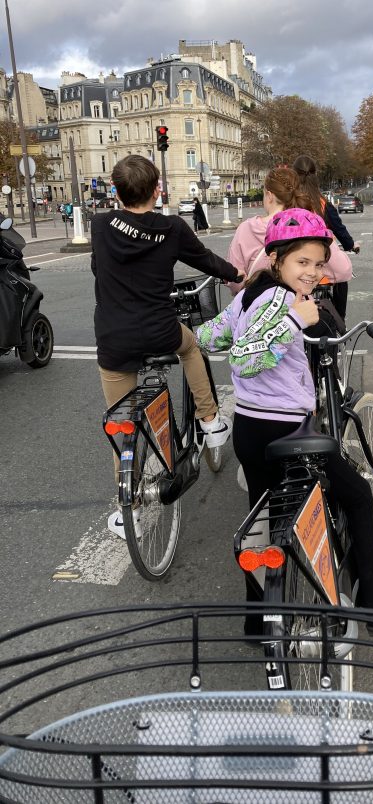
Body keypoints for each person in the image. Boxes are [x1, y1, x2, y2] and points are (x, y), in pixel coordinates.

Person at [196, 208, 373, 634]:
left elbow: (212, 337)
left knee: (263, 522)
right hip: (286, 428)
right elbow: (244, 358)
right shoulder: (283, 301)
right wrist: (297, 319)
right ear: (276, 257)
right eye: (303, 262)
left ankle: (260, 622)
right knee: (354, 495)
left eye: (319, 264)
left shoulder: (249, 294)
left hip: (249, 428)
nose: (313, 273)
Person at [91, 154, 242, 539]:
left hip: (114, 338)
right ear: (158, 189)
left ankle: (131, 511)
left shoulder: (101, 224)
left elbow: (98, 268)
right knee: (191, 349)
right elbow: (205, 260)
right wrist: (237, 275)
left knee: (121, 422)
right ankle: (210, 422)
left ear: (116, 190)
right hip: (161, 330)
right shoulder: (172, 227)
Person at [224, 166, 352, 299]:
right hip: (296, 308)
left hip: (256, 306)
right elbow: (343, 270)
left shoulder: (247, 229)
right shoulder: (308, 225)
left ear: (269, 195)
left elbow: (235, 281)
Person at [292, 154, 359, 320]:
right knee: (342, 277)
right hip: (323, 260)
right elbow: (339, 229)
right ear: (315, 175)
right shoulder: (322, 203)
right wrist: (351, 245)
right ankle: (340, 321)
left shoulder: (290, 202)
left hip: (294, 258)